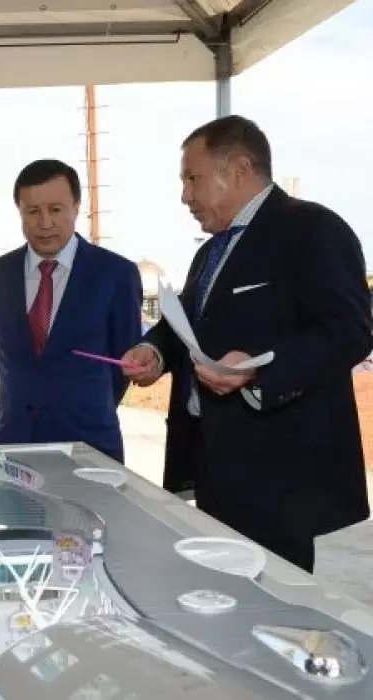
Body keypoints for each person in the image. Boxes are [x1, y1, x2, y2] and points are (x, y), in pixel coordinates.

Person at [123, 115, 372, 573]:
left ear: (239, 169)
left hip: (281, 481)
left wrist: (260, 370)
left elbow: (350, 331)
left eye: (193, 179)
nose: (185, 196)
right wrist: (154, 351)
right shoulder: (210, 251)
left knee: (276, 603)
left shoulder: (313, 229)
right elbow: (187, 325)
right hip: (213, 470)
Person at [0, 159, 142, 463]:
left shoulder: (115, 274)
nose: (45, 223)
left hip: (89, 448)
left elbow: (121, 366)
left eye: (55, 210)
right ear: (19, 211)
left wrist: (83, 407)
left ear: (76, 208)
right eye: (33, 211)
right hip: (10, 446)